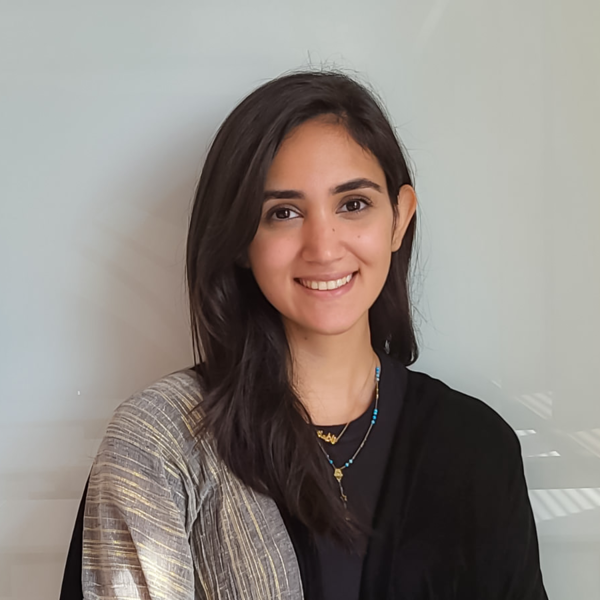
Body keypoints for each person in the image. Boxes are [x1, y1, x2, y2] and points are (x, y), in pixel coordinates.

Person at [60, 70, 548, 600]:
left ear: (399, 218)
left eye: (353, 204)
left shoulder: (478, 446)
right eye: (284, 213)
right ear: (241, 241)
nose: (324, 246)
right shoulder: (158, 444)